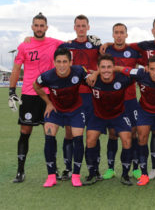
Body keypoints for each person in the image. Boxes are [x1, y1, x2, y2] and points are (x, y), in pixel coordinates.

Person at [101, 17, 155, 180]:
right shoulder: (140, 47)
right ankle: (148, 168)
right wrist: (108, 44)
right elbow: (123, 52)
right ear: (152, 30)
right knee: (122, 133)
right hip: (121, 99)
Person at [8, 12, 63, 183]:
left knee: (50, 133)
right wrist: (11, 91)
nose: (39, 28)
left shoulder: (55, 43)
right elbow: (16, 69)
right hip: (29, 95)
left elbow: (73, 44)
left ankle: (53, 172)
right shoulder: (24, 46)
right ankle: (20, 171)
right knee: (25, 132)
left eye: (42, 25)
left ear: (46, 27)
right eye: (36, 25)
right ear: (32, 27)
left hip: (48, 95)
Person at [116, 55, 155, 186]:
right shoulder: (140, 74)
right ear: (147, 68)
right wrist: (98, 72)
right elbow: (122, 69)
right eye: (152, 69)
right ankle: (144, 174)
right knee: (142, 138)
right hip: (145, 111)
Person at [33, 48, 87, 187]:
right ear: (54, 62)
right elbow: (36, 86)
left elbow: (91, 79)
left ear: (70, 62)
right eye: (59, 62)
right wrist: (48, 103)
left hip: (75, 110)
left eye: (65, 62)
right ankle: (51, 176)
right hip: (56, 110)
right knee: (49, 135)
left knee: (78, 138)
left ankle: (76, 175)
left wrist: (95, 74)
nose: (62, 65)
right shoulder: (47, 76)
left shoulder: (79, 71)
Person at [58, 14, 102, 181]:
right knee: (70, 133)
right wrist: (28, 38)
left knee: (93, 133)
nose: (81, 28)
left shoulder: (96, 46)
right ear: (74, 27)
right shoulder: (67, 46)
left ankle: (94, 169)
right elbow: (49, 46)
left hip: (91, 97)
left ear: (88, 27)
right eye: (78, 25)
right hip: (73, 97)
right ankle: (68, 169)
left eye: (84, 25)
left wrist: (95, 73)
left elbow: (106, 60)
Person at [84, 54, 134, 186]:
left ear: (114, 67)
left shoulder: (122, 79)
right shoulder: (91, 80)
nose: (106, 70)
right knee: (90, 139)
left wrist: (118, 68)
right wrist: (94, 74)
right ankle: (92, 173)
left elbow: (136, 72)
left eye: (109, 67)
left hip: (118, 115)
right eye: (103, 67)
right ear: (98, 68)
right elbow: (77, 70)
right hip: (98, 115)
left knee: (127, 139)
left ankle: (125, 175)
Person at [101, 23, 142, 180]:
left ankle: (136, 168)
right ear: (112, 35)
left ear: (126, 34)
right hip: (112, 99)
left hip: (130, 99)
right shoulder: (106, 50)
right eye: (116, 32)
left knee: (133, 133)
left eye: (121, 32)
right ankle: (111, 168)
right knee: (113, 134)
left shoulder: (133, 52)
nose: (119, 35)